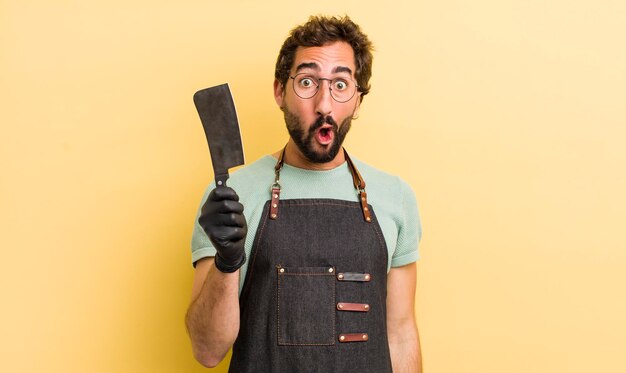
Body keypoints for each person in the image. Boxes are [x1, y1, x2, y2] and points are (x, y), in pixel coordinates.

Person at [185, 15, 422, 372]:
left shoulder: (395, 197)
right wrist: (226, 261)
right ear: (280, 91)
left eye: (341, 85)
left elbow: (401, 334)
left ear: (358, 100)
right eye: (308, 82)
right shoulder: (231, 198)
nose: (324, 105)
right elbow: (207, 350)